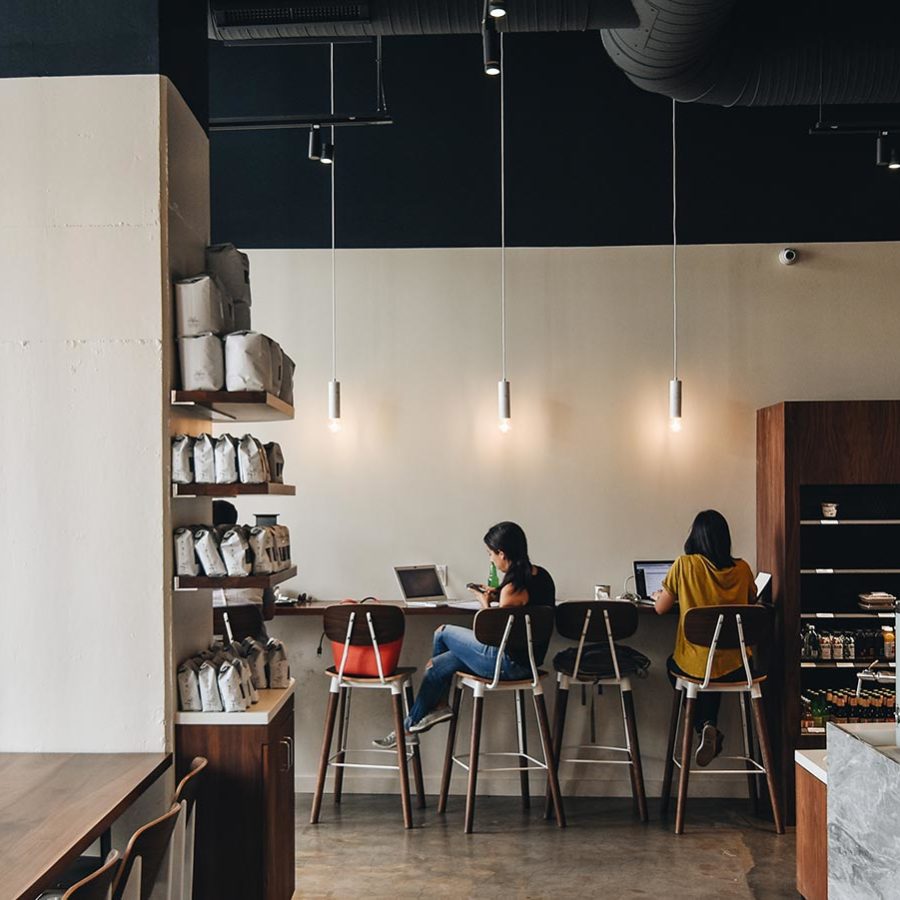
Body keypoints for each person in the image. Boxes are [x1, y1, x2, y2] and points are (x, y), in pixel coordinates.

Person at [373, 521, 555, 749]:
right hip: (529, 662)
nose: (490, 559)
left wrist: (484, 603)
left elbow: (493, 633)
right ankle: (408, 728)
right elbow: (522, 605)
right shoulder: (542, 576)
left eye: (491, 554)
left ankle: (440, 705)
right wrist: (496, 594)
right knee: (439, 666)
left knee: (442, 632)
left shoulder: (513, 587)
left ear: (502, 553)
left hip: (507, 664)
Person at [653, 509, 756, 766]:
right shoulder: (743, 569)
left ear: (695, 537)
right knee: (715, 668)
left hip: (697, 667)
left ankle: (703, 726)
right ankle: (709, 725)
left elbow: (661, 608)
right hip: (740, 668)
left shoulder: (684, 565)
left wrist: (658, 595)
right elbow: (752, 602)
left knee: (680, 668)